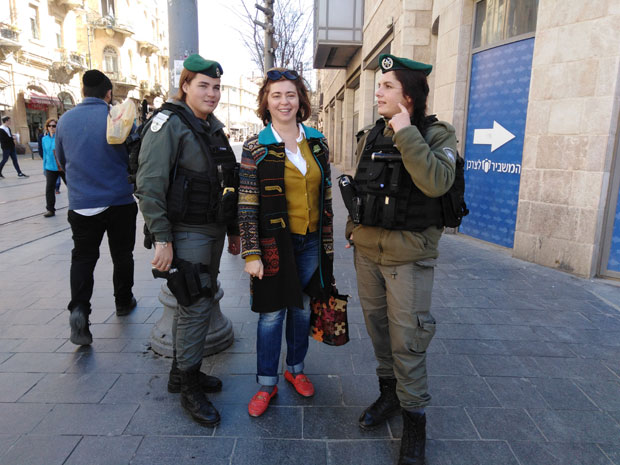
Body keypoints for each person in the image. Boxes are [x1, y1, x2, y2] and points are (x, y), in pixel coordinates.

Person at [345, 54, 456, 465]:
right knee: (378, 332)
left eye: (387, 86)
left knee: (407, 341)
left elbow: (436, 182)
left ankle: (414, 424)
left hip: (408, 258)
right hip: (367, 253)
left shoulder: (437, 134)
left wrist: (406, 131)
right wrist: (353, 230)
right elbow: (359, 186)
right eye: (379, 85)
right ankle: (389, 396)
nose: (378, 92)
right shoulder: (370, 133)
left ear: (409, 95)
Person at [136, 55, 240, 427]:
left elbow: (226, 182)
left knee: (193, 302)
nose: (212, 93)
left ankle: (180, 373)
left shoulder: (211, 127)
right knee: (196, 304)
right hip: (185, 231)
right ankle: (190, 388)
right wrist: (162, 239)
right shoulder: (168, 124)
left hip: (212, 228)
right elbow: (149, 185)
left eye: (216, 87)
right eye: (203, 86)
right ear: (185, 86)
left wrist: (233, 230)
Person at [238, 68, 333, 417]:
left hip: (310, 244)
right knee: (271, 315)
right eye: (276, 95)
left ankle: (295, 369)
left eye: (290, 94)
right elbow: (246, 205)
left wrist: (328, 245)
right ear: (266, 101)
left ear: (300, 100)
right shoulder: (255, 147)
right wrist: (251, 253)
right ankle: (267, 383)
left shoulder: (318, 142)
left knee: (302, 309)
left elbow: (326, 198)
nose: (284, 102)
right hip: (273, 245)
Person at [56, 70, 138, 346]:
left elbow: (61, 161)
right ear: (108, 93)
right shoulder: (117, 116)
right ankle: (123, 301)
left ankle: (79, 310)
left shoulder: (65, 120)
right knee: (122, 255)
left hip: (82, 205)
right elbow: (135, 155)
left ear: (82, 92)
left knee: (83, 258)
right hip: (119, 201)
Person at [41, 118, 66, 217]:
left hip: (62, 167)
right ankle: (50, 210)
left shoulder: (61, 137)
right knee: (49, 189)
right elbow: (45, 154)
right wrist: (44, 167)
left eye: (54, 126)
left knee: (72, 186)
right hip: (50, 167)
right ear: (47, 127)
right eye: (49, 126)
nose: (51, 128)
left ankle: (78, 206)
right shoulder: (44, 139)